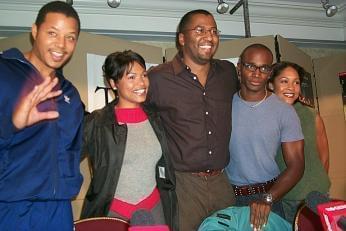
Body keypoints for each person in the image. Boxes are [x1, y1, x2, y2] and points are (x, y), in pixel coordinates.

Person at [147, 9, 238, 230]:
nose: (209, 37)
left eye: (214, 31)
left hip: (222, 183)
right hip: (183, 186)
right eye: (200, 30)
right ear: (181, 38)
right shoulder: (159, 78)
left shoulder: (228, 72)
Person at [0, 1, 83, 230]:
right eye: (52, 33)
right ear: (35, 31)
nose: (61, 45)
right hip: (10, 206)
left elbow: (73, 150)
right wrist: (11, 125)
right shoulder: (3, 72)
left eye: (70, 37)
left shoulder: (70, 94)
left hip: (59, 210)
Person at [80, 50, 174, 231]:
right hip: (115, 213)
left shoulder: (155, 118)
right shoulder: (98, 123)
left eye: (144, 75)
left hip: (154, 209)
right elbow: (64, 159)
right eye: (131, 77)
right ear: (113, 83)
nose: (141, 83)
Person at [225, 43, 305, 230]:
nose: (256, 73)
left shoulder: (284, 111)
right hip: (229, 197)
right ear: (239, 68)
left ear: (270, 72)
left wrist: (268, 198)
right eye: (250, 66)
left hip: (270, 196)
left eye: (264, 68)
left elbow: (297, 165)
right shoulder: (222, 107)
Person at [268, 61, 331, 224]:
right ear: (270, 85)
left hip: (315, 195)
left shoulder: (311, 115)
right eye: (284, 81)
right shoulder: (264, 117)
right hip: (283, 198)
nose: (291, 87)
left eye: (296, 82)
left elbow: (323, 155)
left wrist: (315, 187)